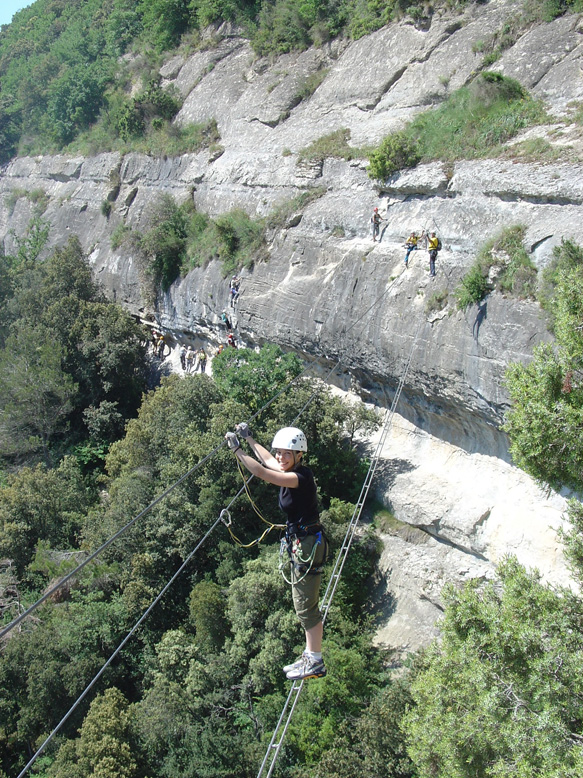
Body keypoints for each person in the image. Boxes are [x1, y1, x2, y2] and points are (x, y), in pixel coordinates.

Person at [225, 424, 327, 681]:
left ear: (299, 455)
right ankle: (310, 655)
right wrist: (249, 439)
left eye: (287, 454)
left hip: (307, 544)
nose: (280, 457)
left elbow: (262, 472)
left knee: (306, 607)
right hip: (304, 542)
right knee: (304, 605)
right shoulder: (289, 470)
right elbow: (268, 460)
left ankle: (315, 660)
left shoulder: (299, 478)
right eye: (279, 452)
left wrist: (237, 451)